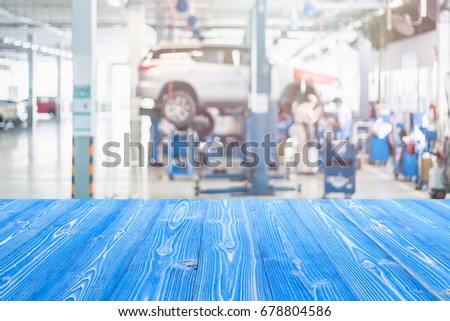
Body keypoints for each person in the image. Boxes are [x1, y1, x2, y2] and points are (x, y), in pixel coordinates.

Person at [291, 93, 320, 173]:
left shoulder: (299, 107)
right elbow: (309, 121)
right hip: (303, 129)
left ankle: (302, 168)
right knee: (304, 148)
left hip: (298, 128)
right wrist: (317, 115)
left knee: (300, 148)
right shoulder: (307, 109)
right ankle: (304, 169)